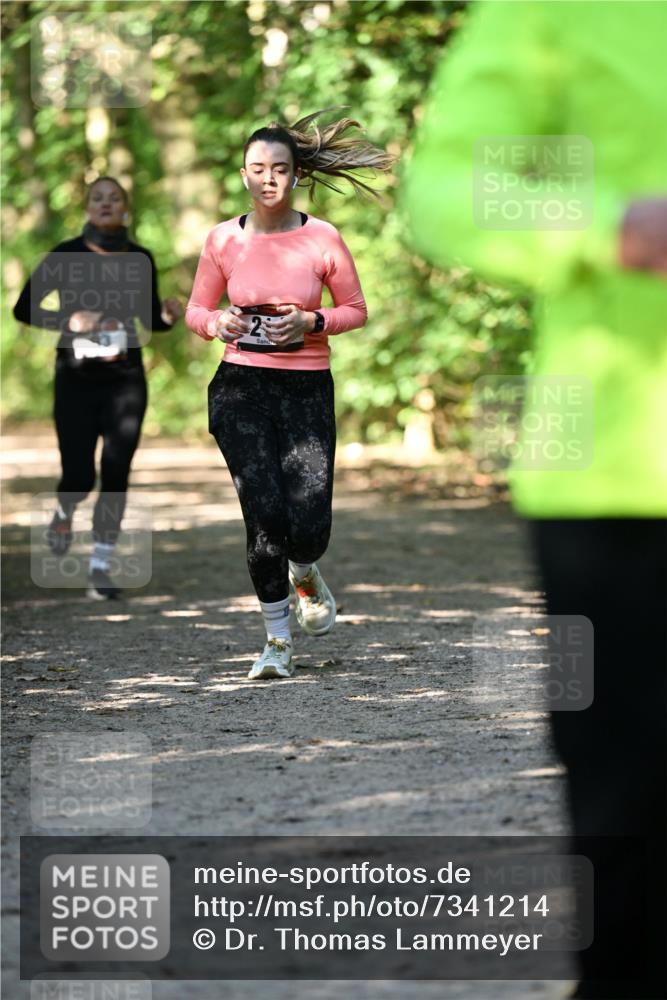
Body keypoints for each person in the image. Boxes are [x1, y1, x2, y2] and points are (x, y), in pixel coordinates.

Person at [402, 3, 667, 998]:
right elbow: (450, 190)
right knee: (633, 819)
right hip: (624, 477)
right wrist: (607, 225)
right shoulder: (559, 14)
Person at [186, 111, 392, 680]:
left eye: (280, 168)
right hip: (240, 388)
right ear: (244, 175)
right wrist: (217, 325)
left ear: (297, 175)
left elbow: (356, 309)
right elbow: (196, 310)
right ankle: (277, 640)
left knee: (308, 526)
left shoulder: (322, 236)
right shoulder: (223, 238)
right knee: (264, 516)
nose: (268, 178)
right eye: (258, 168)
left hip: (305, 390)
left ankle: (306, 571)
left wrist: (312, 321)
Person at [13, 176, 183, 599]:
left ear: (126, 209)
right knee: (78, 474)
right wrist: (66, 322)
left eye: (114, 198)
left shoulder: (140, 257)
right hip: (75, 381)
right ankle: (63, 511)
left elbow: (149, 321)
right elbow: (23, 307)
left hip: (125, 381)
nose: (105, 204)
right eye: (97, 198)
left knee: (116, 469)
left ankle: (101, 565)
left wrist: (166, 317)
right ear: (87, 208)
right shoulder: (64, 255)